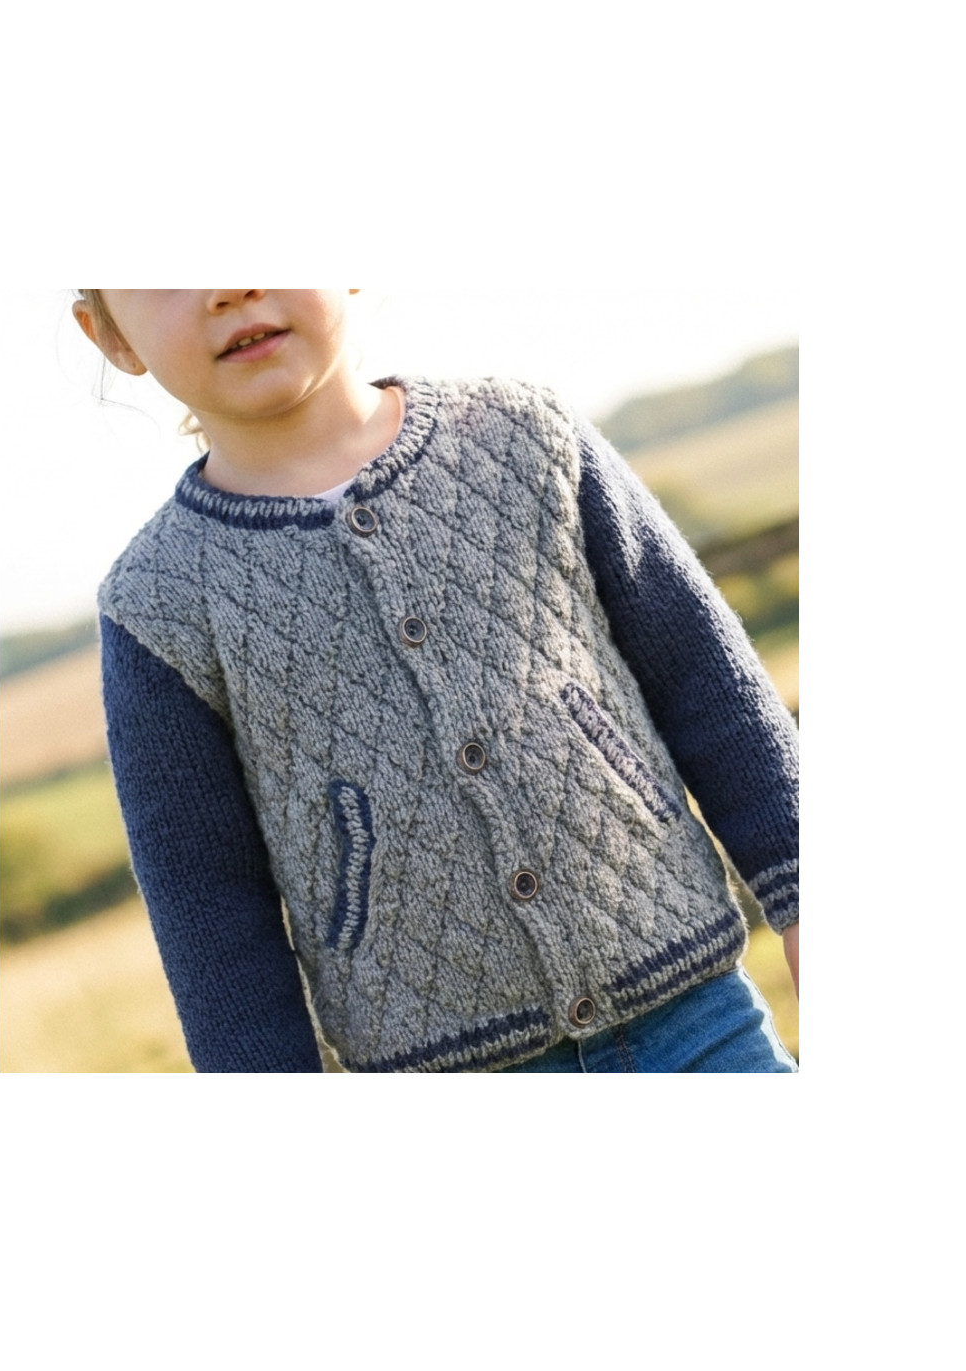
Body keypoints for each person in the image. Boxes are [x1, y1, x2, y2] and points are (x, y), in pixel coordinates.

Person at [73, 289, 799, 1073]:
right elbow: (211, 918)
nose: (229, 287)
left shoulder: (525, 436)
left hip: (702, 1024)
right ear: (111, 335)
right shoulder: (159, 604)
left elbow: (712, 690)